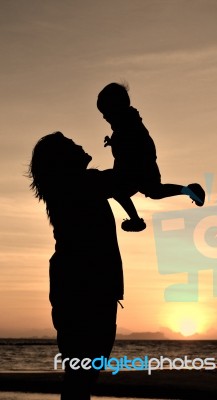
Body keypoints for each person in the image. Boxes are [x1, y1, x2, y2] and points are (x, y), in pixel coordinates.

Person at [28, 131, 124, 400]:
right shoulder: (82, 183)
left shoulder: (66, 189)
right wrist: (124, 141)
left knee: (79, 371)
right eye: (71, 145)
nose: (79, 143)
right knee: (84, 372)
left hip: (73, 282)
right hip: (89, 285)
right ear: (63, 160)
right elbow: (123, 181)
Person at [97, 82, 205, 232]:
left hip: (137, 165)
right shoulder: (128, 123)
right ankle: (187, 190)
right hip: (141, 163)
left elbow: (133, 142)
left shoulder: (128, 124)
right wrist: (114, 142)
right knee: (154, 191)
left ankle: (135, 220)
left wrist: (117, 143)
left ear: (116, 108)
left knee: (119, 190)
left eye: (106, 113)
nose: (104, 117)